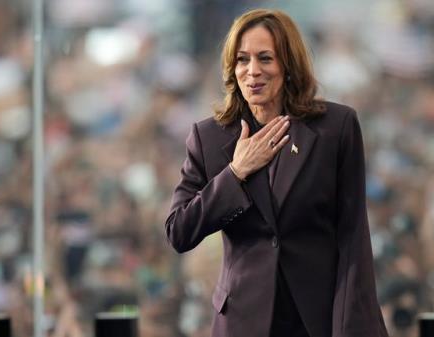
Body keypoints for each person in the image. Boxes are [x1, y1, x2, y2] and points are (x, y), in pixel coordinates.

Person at [165, 8, 388, 337]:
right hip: (242, 321)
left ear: (289, 65)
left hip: (316, 319)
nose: (253, 71)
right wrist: (236, 173)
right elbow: (179, 231)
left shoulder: (335, 129)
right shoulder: (209, 137)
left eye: (265, 58)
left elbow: (352, 238)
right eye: (242, 60)